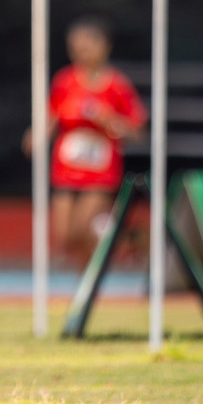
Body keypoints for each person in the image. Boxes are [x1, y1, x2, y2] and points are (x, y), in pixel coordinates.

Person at [22, 16, 147, 269]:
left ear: (104, 46)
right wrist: (36, 135)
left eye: (88, 45)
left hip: (100, 173)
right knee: (66, 236)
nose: (82, 52)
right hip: (66, 171)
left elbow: (137, 131)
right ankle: (92, 271)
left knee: (81, 228)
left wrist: (108, 119)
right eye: (76, 47)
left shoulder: (117, 86)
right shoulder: (65, 81)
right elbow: (51, 116)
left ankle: (124, 240)